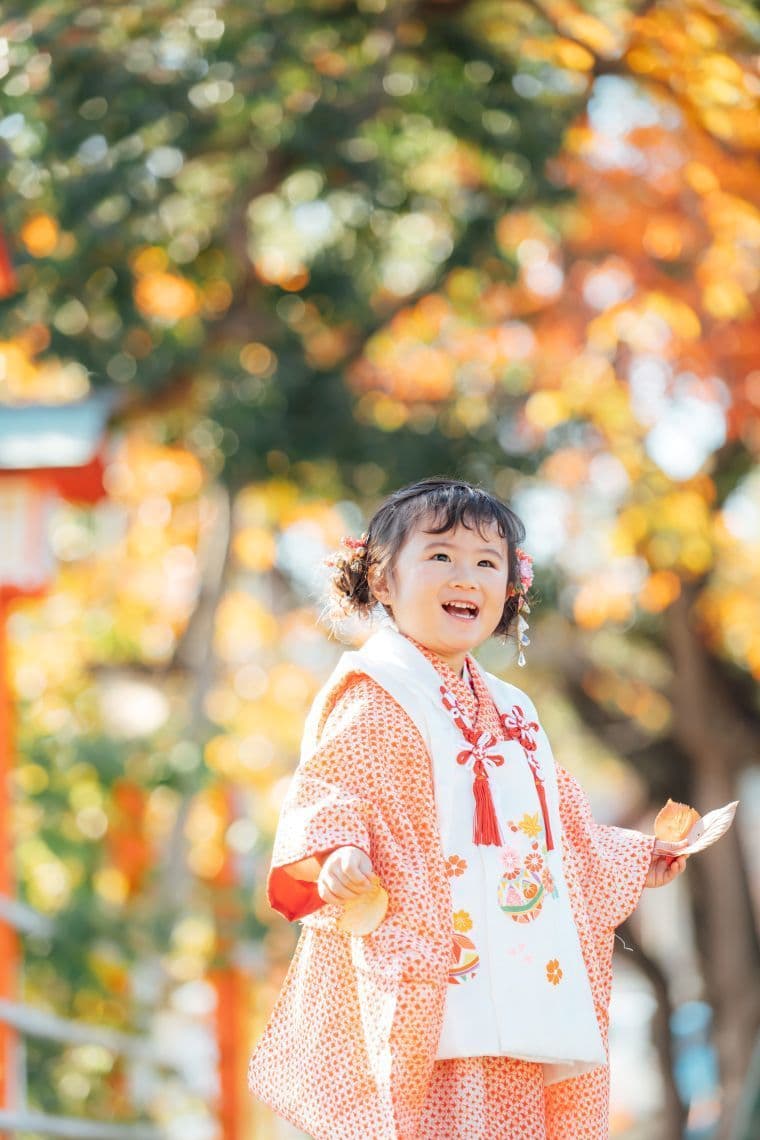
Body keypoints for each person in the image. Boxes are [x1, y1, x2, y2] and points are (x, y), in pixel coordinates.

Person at [247, 477, 687, 1139]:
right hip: (430, 974)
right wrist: (339, 852)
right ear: (382, 580)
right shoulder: (378, 690)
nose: (467, 577)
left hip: (520, 975)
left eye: (488, 563)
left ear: (511, 590)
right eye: (442, 556)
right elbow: (337, 787)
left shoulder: (514, 709)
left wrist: (631, 858)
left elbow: (556, 823)